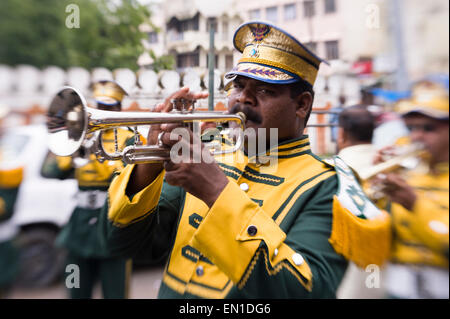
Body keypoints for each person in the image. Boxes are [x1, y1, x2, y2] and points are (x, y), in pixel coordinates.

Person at [97, 21, 390, 299]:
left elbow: (305, 290)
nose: (243, 99)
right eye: (238, 86)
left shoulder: (327, 186)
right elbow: (123, 245)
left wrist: (216, 191)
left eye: (264, 89)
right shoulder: (209, 152)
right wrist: (148, 166)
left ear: (302, 105)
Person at [42, 80, 135, 299]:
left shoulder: (129, 138)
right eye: (99, 107)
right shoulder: (78, 136)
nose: (103, 113)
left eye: (110, 108)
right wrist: (72, 152)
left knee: (115, 293)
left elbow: (127, 178)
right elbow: (51, 172)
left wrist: (99, 157)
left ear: (119, 110)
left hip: (111, 222)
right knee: (75, 288)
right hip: (79, 227)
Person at [373, 82, 449, 299]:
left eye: (428, 128)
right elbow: (376, 236)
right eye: (411, 128)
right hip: (400, 287)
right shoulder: (409, 173)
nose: (417, 136)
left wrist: (414, 204)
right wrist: (375, 188)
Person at [333, 105, 387, 298]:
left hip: (346, 276)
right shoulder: (387, 167)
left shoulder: (332, 170)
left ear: (341, 134)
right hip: (384, 274)